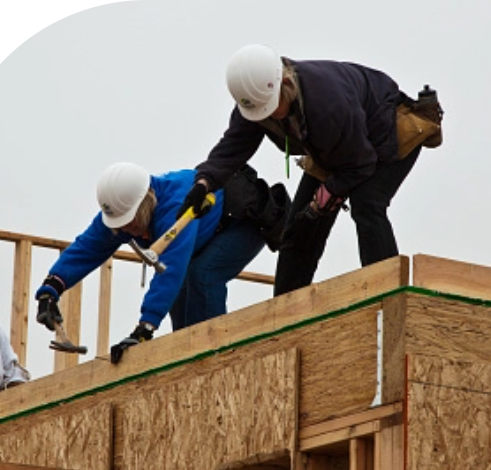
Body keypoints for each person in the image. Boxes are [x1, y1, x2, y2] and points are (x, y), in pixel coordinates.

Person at [177, 44, 443, 296]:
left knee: (367, 204)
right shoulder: (254, 101)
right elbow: (231, 149)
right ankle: (284, 316)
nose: (268, 116)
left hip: (384, 133)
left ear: (285, 84)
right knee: (299, 228)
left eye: (271, 109)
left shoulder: (327, 102)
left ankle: (387, 293)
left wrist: (323, 200)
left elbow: (361, 164)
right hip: (334, 148)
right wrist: (203, 184)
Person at [35, 161, 289, 364]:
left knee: (202, 275)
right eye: (122, 227)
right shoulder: (122, 209)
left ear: (145, 203)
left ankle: (216, 359)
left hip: (243, 223)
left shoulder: (175, 204)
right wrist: (50, 290)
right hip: (207, 235)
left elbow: (171, 269)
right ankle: (186, 362)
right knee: (179, 296)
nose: (129, 231)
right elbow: (87, 248)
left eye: (132, 224)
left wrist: (144, 330)